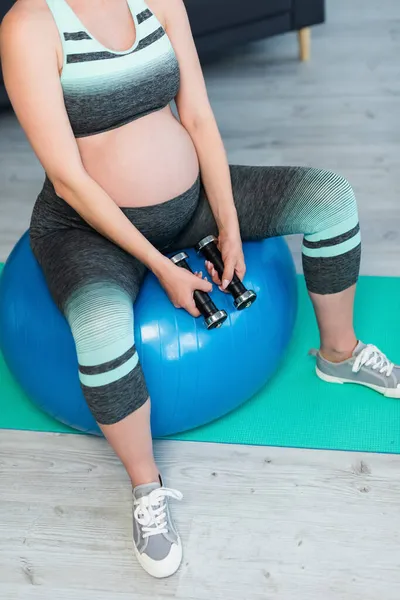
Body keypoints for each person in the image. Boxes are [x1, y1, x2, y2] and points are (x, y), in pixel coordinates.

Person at [1, 0, 399, 579]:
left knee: (331, 199)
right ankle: (146, 488)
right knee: (100, 327)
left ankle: (338, 354)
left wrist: (230, 223)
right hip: (88, 227)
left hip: (189, 205)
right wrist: (161, 267)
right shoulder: (29, 25)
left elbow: (198, 117)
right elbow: (68, 179)